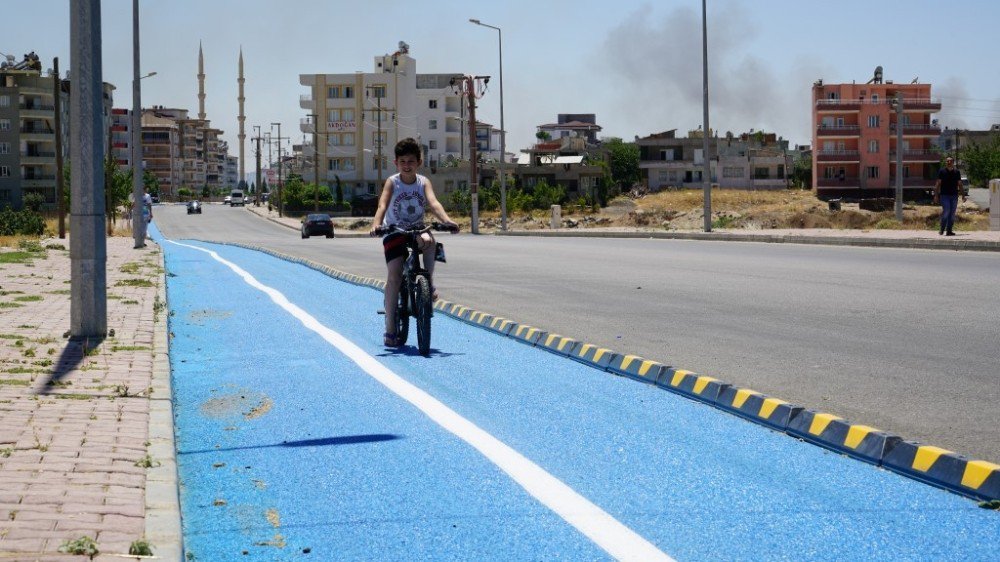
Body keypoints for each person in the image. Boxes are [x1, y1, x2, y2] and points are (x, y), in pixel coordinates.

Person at [370, 137, 457, 347]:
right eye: (402, 162)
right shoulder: (393, 182)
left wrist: (446, 220)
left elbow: (434, 203)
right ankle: (390, 328)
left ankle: (429, 283)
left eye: (411, 161)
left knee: (431, 241)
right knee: (394, 275)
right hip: (394, 230)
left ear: (418, 162)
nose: (407, 166)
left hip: (417, 228)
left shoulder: (423, 182)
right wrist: (376, 224)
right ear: (396, 163)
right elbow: (382, 205)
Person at [934, 157, 964, 236]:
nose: (949, 162)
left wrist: (963, 195)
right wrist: (936, 195)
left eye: (950, 161)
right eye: (947, 161)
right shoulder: (942, 171)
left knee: (952, 214)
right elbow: (938, 184)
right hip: (944, 195)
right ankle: (942, 228)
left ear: (953, 162)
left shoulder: (957, 172)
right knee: (947, 210)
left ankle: (949, 231)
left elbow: (960, 184)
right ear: (946, 162)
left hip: (954, 195)